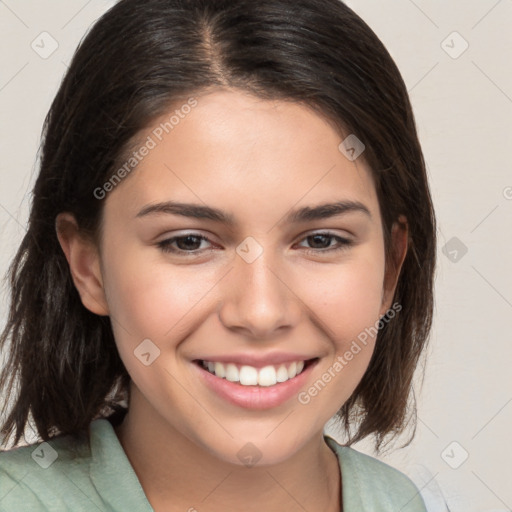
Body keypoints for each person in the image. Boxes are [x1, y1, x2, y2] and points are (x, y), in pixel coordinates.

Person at [0, 0, 436, 510]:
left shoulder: (399, 501)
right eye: (188, 241)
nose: (260, 312)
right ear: (88, 266)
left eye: (321, 240)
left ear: (391, 266)